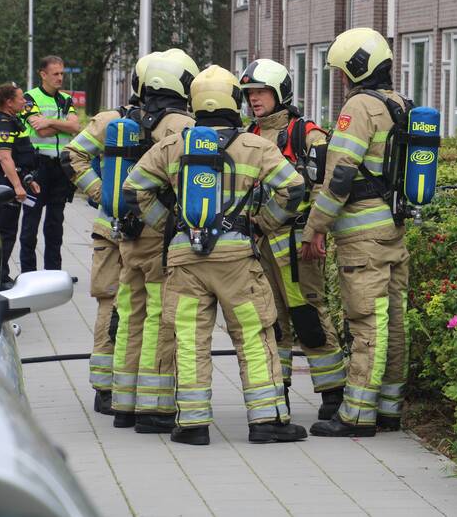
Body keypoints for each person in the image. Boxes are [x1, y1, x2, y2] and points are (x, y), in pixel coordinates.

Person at [122, 65, 308, 446]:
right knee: (254, 335)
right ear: (234, 102)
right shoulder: (254, 146)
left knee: (189, 338)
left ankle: (192, 424)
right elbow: (293, 188)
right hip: (237, 260)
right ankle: (267, 420)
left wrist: (169, 225)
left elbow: (133, 189)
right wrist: (261, 224)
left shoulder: (172, 145)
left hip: (184, 260)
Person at [301, 28, 410, 438]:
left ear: (355, 67)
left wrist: (316, 226)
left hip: (362, 237)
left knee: (366, 321)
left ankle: (357, 414)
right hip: (393, 229)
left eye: (342, 72)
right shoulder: (400, 104)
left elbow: (341, 173)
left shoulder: (359, 107)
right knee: (394, 320)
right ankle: (388, 409)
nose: (341, 81)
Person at [240, 59, 346, 420]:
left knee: (309, 317)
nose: (254, 99)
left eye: (261, 92)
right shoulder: (248, 136)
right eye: (250, 93)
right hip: (260, 245)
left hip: (298, 245)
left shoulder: (307, 135)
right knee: (272, 320)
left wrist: (316, 231)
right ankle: (277, 392)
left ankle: (333, 395)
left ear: (280, 92)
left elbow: (324, 187)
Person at [61, 54, 155, 416]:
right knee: (135, 305)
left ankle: (109, 386)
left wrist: (104, 195)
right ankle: (118, 383)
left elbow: (73, 157)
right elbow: (71, 157)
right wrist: (105, 195)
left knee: (114, 303)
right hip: (142, 230)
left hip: (115, 228)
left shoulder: (110, 120)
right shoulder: (166, 123)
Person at [110, 49, 198, 433]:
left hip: (128, 233)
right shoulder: (181, 124)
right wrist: (167, 223)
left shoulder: (129, 119)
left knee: (129, 315)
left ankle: (123, 404)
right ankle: (154, 408)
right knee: (161, 319)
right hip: (158, 235)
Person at [21, 56, 80, 273]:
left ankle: (53, 272)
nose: (60, 78)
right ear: (43, 74)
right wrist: (63, 125)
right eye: (55, 74)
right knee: (30, 224)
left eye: (62, 73)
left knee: (55, 225)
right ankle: (28, 273)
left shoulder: (66, 98)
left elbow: (76, 127)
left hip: (59, 169)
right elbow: (41, 131)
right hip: (37, 168)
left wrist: (50, 121)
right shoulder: (29, 98)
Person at [0, 84, 41, 286]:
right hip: (4, 184)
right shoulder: (4, 124)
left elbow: (20, 157)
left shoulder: (11, 121)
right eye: (20, 99)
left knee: (7, 232)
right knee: (4, 233)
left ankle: (1, 273)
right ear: (9, 102)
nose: (24, 101)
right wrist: (17, 187)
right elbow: (5, 158)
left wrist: (29, 181)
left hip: (12, 181)